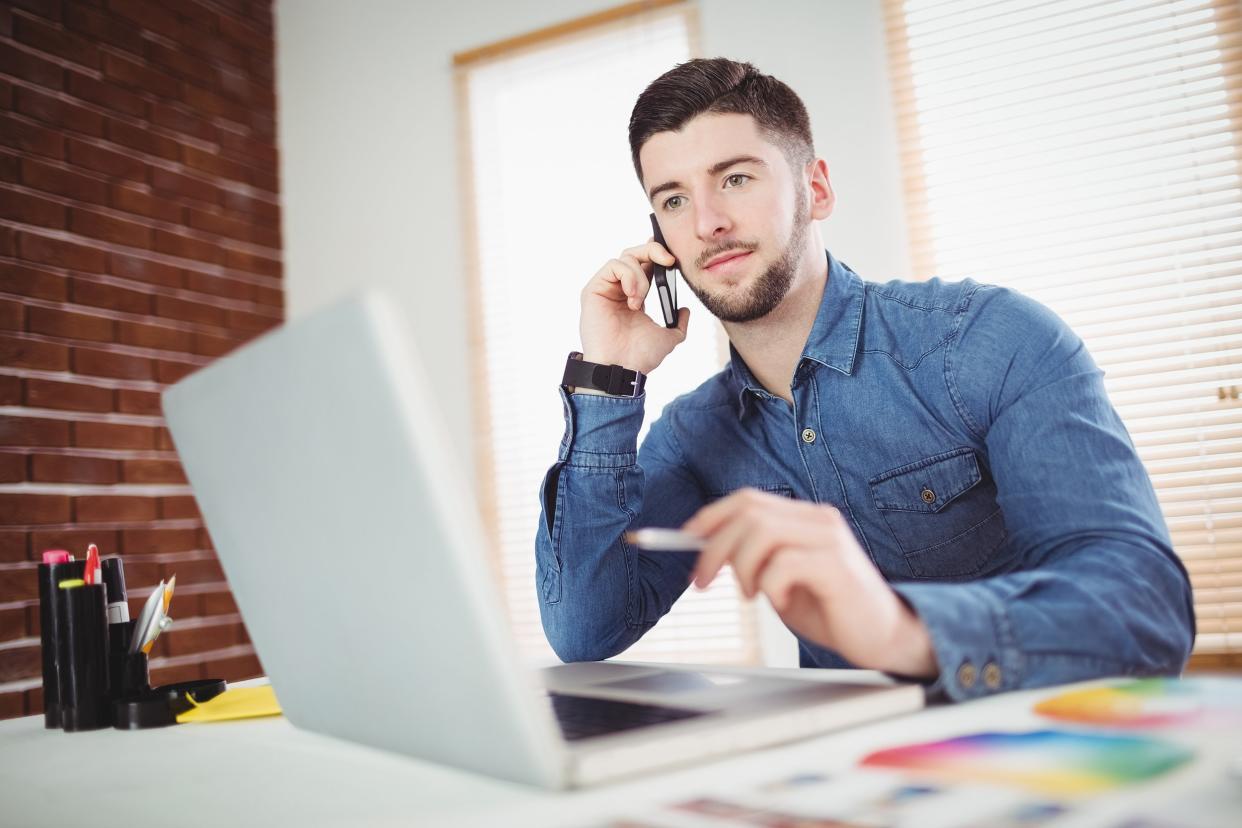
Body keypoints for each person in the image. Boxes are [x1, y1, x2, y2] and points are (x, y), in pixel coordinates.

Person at [534, 58, 1194, 700]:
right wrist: (608, 378)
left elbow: (1144, 610)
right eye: (674, 199)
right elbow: (585, 629)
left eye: (735, 179)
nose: (708, 222)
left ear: (816, 189)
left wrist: (900, 629)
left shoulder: (989, 342)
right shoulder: (693, 436)